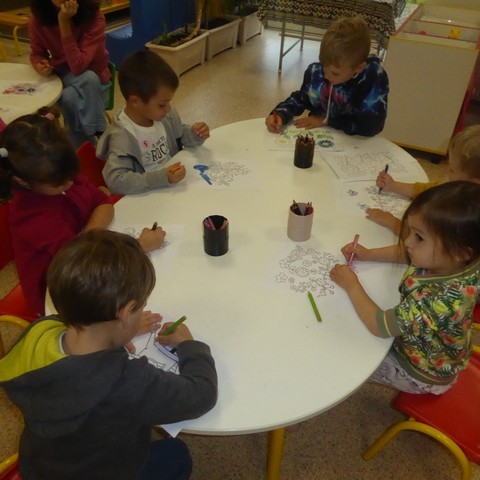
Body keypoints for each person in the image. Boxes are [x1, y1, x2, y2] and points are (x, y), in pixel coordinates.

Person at [0, 229, 218, 480]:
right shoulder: (127, 382)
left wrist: (114, 333)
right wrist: (189, 345)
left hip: (42, 468)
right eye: (140, 308)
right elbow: (202, 395)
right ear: (125, 313)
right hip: (106, 471)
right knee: (177, 455)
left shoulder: (40, 332)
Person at [0, 110, 165, 317]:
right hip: (62, 295)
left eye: (71, 176)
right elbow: (83, 267)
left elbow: (103, 203)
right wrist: (139, 246)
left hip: (86, 264)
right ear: (22, 181)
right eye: (60, 183)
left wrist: (87, 239)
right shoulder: (31, 218)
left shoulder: (60, 172)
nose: (70, 183)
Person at [330, 181, 480, 394]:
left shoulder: (436, 300)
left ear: (461, 252)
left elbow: (380, 325)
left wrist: (351, 284)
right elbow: (409, 254)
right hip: (437, 346)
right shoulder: (460, 260)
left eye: (419, 237)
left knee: (345, 357)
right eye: (410, 231)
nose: (407, 242)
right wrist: (370, 254)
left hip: (418, 372)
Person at [96, 50, 210, 195]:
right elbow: (116, 181)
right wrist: (161, 178)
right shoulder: (122, 136)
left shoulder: (165, 116)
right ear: (135, 102)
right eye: (162, 105)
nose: (168, 109)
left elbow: (180, 135)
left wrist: (195, 134)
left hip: (175, 188)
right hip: (148, 195)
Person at [265, 16, 388, 137]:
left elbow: (372, 125)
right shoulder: (316, 72)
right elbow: (301, 99)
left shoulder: (373, 78)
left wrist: (326, 121)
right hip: (320, 138)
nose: (326, 75)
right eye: (323, 66)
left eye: (335, 73)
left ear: (358, 68)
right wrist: (280, 114)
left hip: (356, 142)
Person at [367, 124, 480, 235]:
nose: (447, 172)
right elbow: (427, 189)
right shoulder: (457, 189)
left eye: (452, 170)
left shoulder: (458, 217)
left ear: (474, 183)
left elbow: (424, 240)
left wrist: (393, 223)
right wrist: (393, 185)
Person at [29, 0, 111, 148]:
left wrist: (64, 23)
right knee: (83, 85)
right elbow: (37, 53)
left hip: (96, 81)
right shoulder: (39, 18)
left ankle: (83, 149)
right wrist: (40, 64)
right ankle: (101, 134)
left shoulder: (94, 16)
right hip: (62, 78)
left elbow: (78, 66)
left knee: (73, 94)